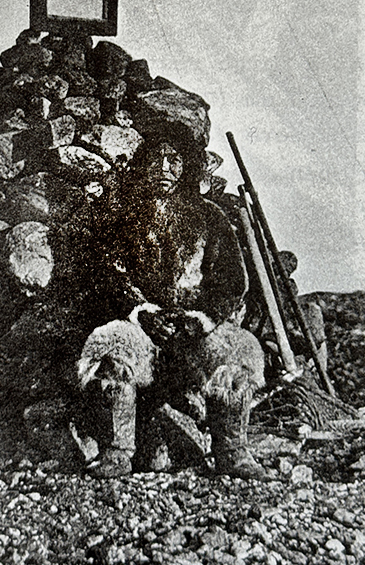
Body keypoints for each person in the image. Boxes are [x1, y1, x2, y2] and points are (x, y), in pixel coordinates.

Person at [73, 139, 268, 480]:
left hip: (194, 328)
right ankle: (117, 453)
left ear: (187, 167)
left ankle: (233, 453)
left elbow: (233, 281)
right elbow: (108, 273)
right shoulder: (124, 214)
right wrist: (141, 312)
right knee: (111, 348)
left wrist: (200, 320)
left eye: (174, 159)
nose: (164, 168)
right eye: (156, 159)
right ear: (142, 166)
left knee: (238, 351)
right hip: (143, 325)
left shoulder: (210, 216)